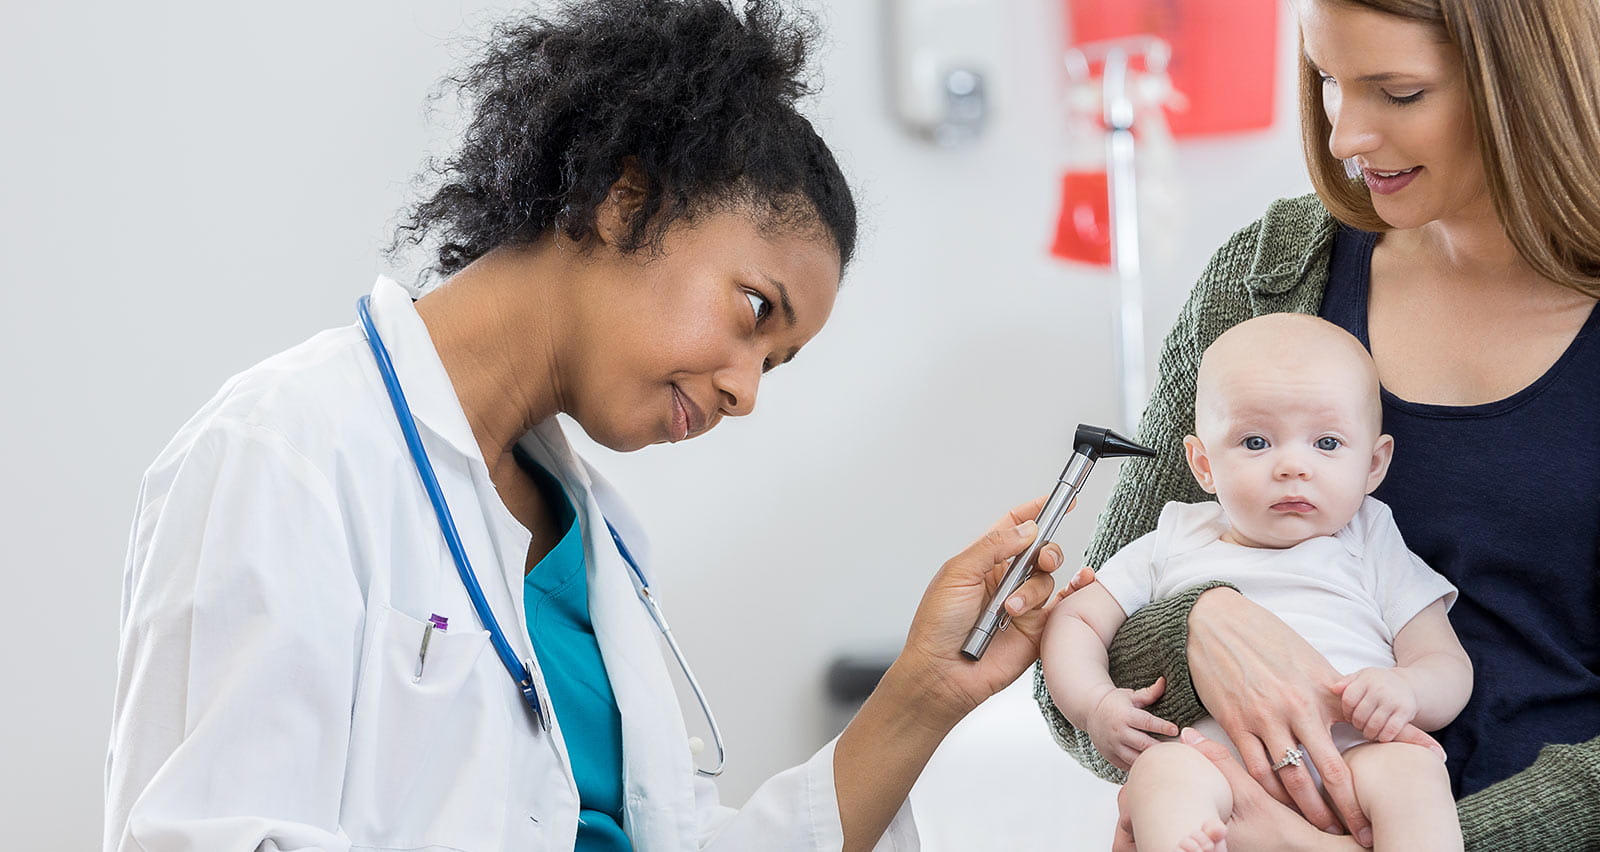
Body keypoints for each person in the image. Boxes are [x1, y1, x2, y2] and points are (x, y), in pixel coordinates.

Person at [101, 3, 1079, 850]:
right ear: (627, 200)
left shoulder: (597, 536)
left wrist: (924, 689)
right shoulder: (286, 454)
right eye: (752, 312)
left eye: (775, 364)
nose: (747, 392)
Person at [1035, 0, 1600, 849]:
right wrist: (1200, 626)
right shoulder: (1270, 278)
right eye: (1329, 80)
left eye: (1399, 92)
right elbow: (1079, 686)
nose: (1344, 138)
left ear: (1528, 81)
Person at [1041, 314, 1469, 851]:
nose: (1293, 465)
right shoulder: (1176, 537)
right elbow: (1076, 616)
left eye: (1328, 443)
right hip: (1215, 766)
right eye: (1257, 441)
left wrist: (1407, 689)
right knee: (1162, 776)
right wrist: (1095, 703)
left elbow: (1446, 663)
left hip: (1355, 757)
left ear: (1374, 464)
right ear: (1203, 464)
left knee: (1416, 772)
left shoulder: (1372, 541)